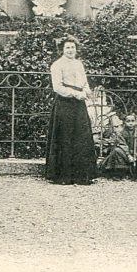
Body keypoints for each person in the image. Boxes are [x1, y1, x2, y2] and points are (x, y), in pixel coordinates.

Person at [45, 37, 97, 185]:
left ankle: (82, 175)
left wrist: (86, 91)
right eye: (67, 48)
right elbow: (58, 87)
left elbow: (84, 82)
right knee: (65, 137)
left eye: (72, 47)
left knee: (81, 136)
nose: (70, 50)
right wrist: (75, 94)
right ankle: (63, 176)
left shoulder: (79, 64)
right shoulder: (57, 65)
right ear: (62, 49)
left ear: (76, 49)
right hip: (65, 104)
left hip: (79, 104)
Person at [99, 113, 137, 179]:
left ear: (136, 122)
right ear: (124, 122)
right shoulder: (121, 133)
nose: (131, 123)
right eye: (128, 121)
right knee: (117, 150)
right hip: (125, 152)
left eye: (133, 121)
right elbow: (122, 144)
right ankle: (120, 173)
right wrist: (128, 155)